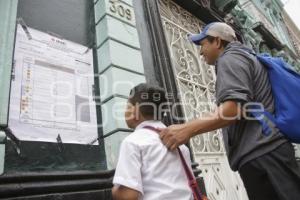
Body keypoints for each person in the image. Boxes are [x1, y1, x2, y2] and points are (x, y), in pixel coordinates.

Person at [159, 22, 300, 200]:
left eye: (202, 45)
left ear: (217, 41)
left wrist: (186, 129)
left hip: (264, 154)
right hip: (267, 152)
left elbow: (233, 109)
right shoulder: (245, 57)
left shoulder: (230, 58)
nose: (201, 52)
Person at [112, 83, 194, 200]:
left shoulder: (132, 142)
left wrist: (115, 190)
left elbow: (127, 196)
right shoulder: (181, 147)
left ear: (134, 112)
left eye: (127, 106)